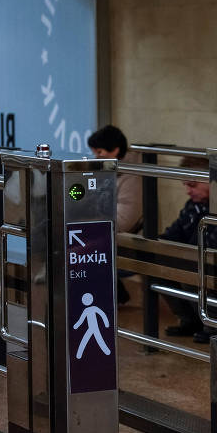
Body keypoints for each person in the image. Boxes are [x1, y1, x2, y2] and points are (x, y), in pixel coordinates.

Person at [157, 156, 217, 344]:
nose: (188, 191)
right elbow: (174, 232)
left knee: (192, 273)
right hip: (195, 258)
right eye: (185, 185)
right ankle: (191, 320)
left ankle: (215, 325)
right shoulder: (193, 206)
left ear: (211, 180)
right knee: (157, 267)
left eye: (193, 185)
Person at [88, 125, 143, 305]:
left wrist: (91, 225)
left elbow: (125, 219)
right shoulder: (105, 168)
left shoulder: (131, 176)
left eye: (100, 151)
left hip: (125, 235)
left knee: (81, 248)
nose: (96, 156)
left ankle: (111, 296)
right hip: (107, 229)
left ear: (116, 150)